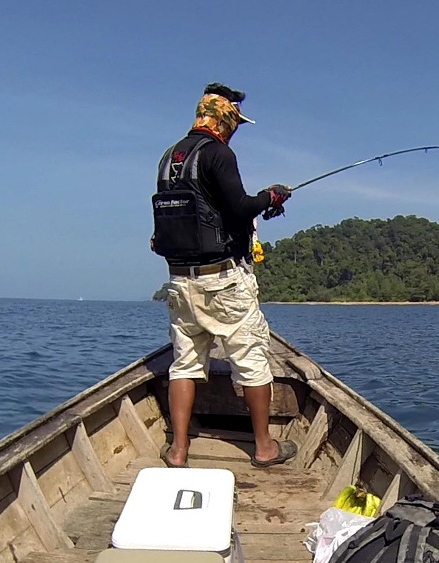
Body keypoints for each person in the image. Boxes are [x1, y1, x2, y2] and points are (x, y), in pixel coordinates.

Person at [151, 82, 296, 468]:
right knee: (251, 359)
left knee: (184, 363)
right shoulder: (218, 154)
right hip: (223, 281)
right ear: (227, 120)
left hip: (180, 282)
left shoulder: (171, 156)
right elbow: (239, 207)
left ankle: (178, 450)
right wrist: (273, 196)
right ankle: (265, 448)